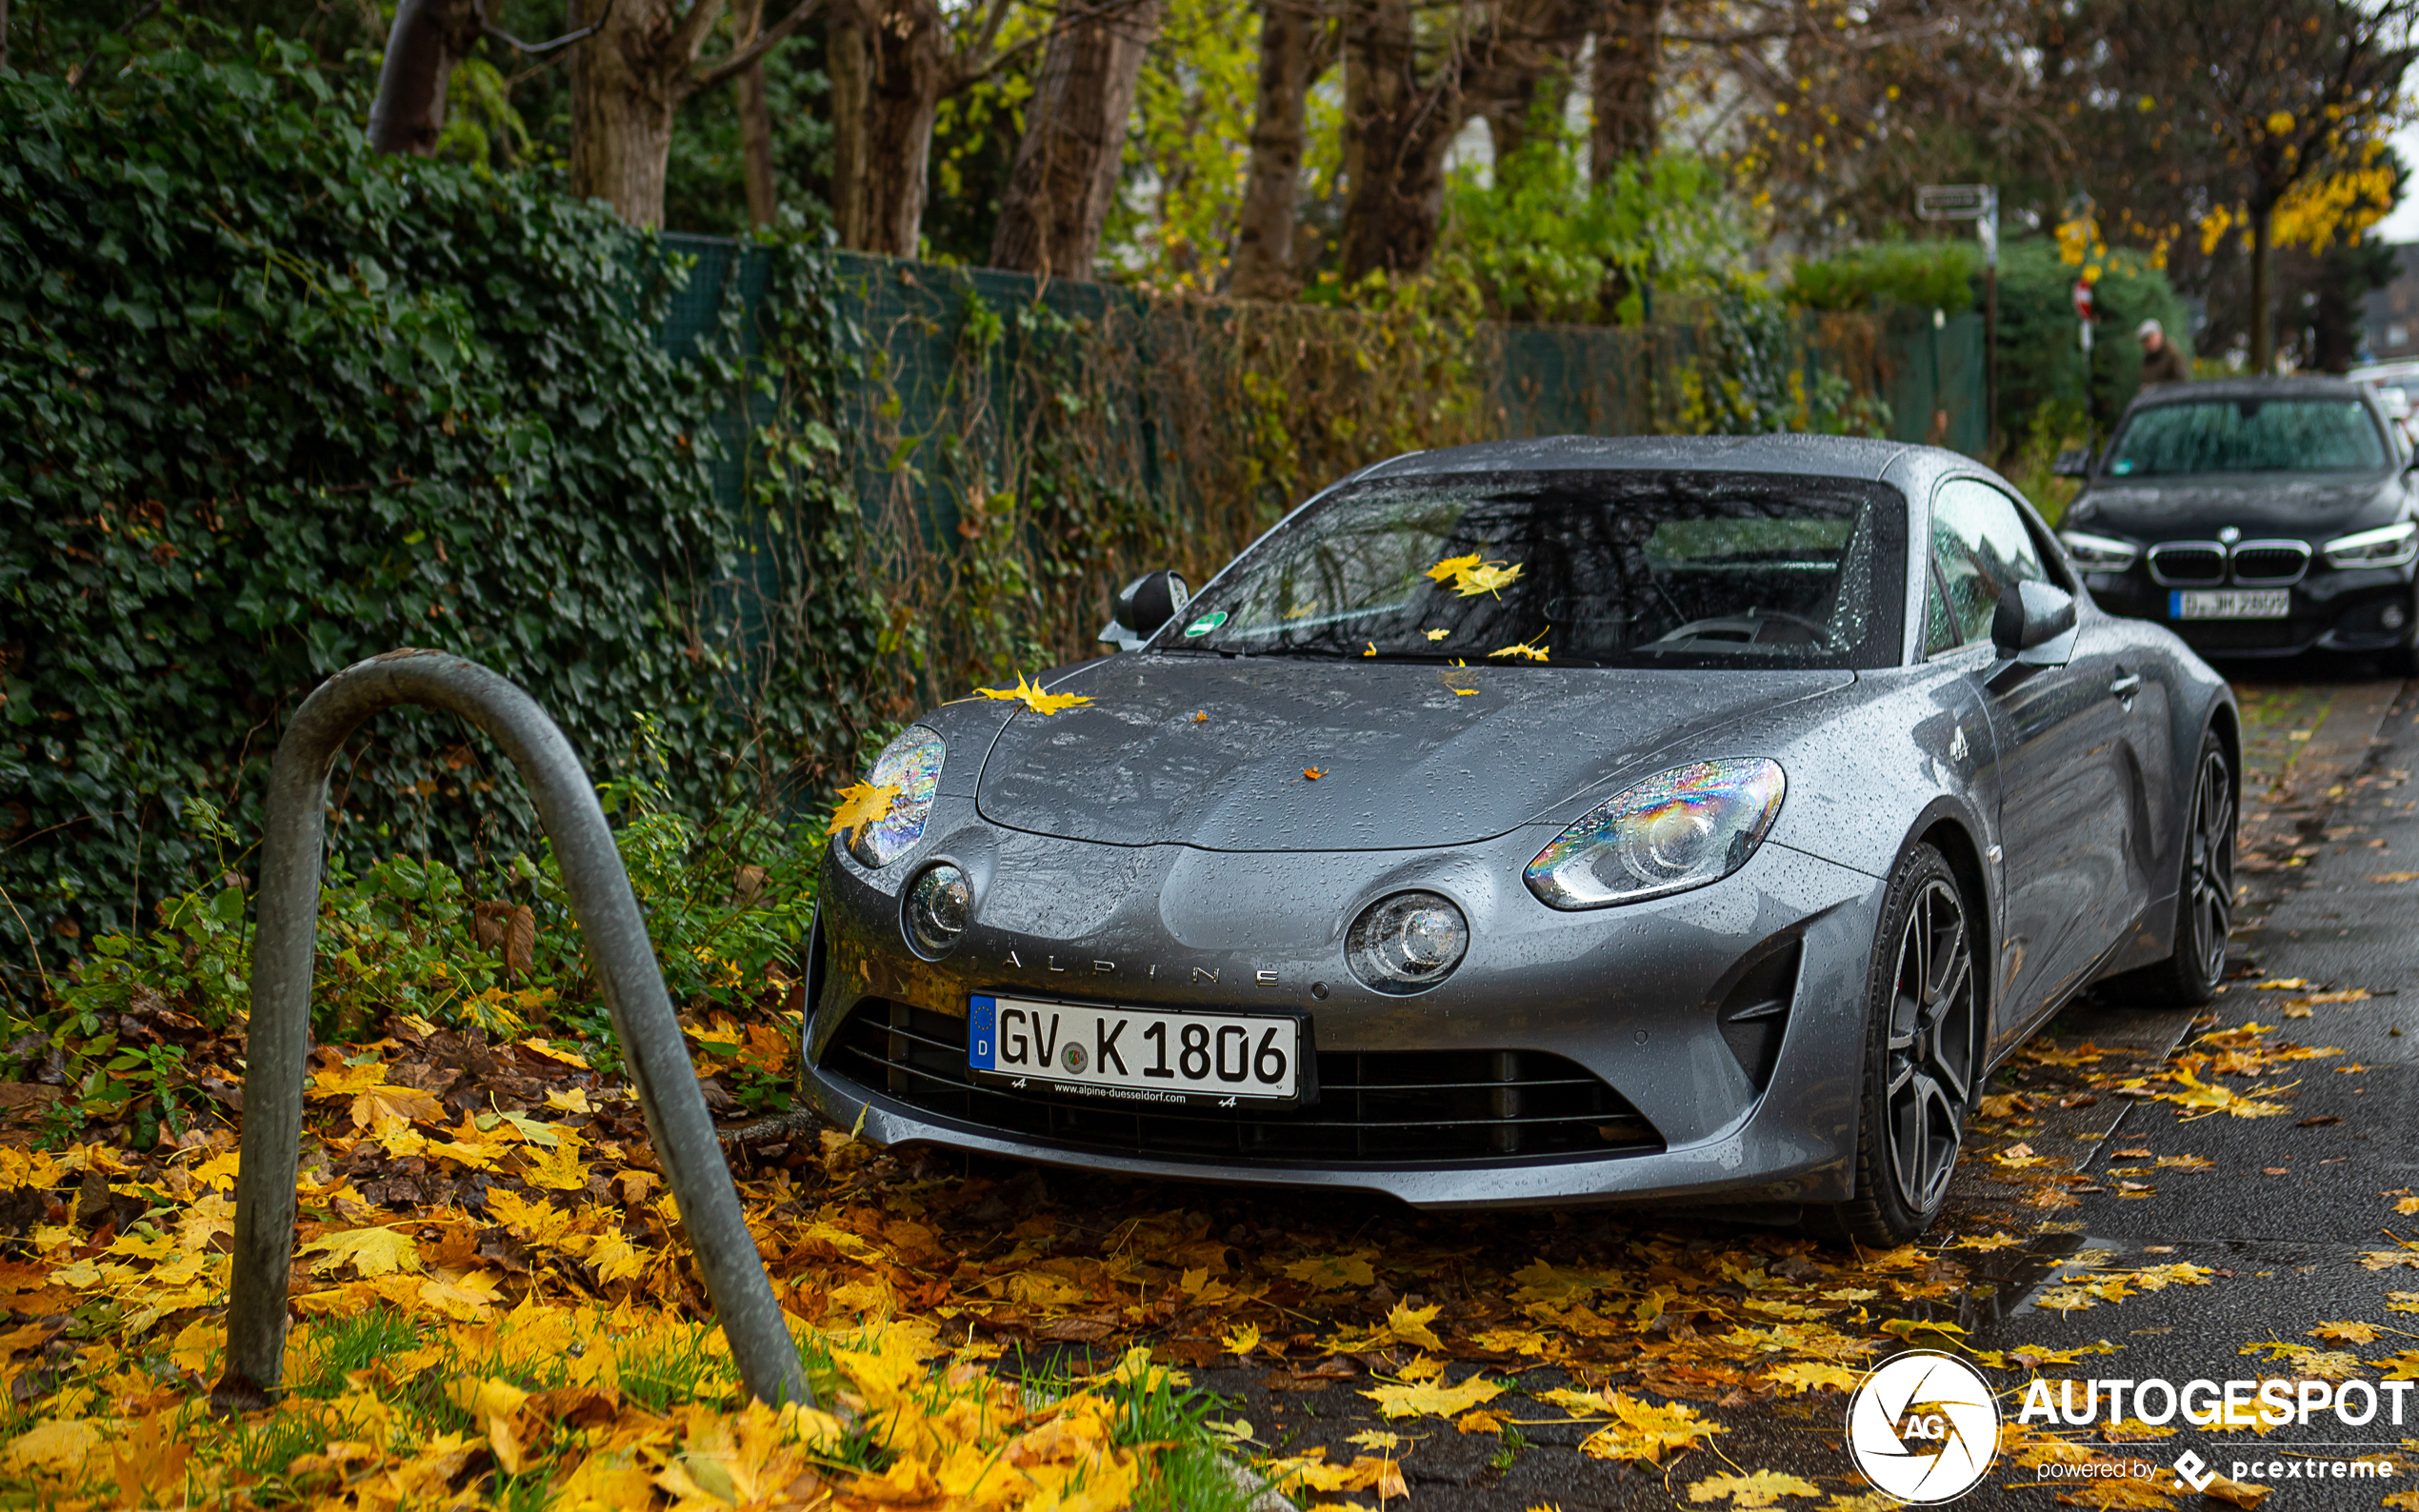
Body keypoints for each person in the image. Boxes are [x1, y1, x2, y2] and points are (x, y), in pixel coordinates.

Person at [2138, 318, 2189, 386]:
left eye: (2150, 338)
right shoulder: (2147, 361)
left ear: (2159, 334)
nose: (2148, 343)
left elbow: (2181, 384)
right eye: (2145, 341)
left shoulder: (2173, 357)